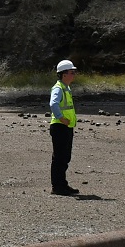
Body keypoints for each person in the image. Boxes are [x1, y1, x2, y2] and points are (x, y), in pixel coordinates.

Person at [48, 59, 80, 195]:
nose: (74, 74)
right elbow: (53, 104)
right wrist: (61, 118)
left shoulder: (66, 88)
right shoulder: (58, 88)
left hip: (66, 127)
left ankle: (62, 184)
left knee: (65, 157)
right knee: (59, 158)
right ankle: (57, 187)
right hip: (60, 126)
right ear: (63, 74)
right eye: (71, 72)